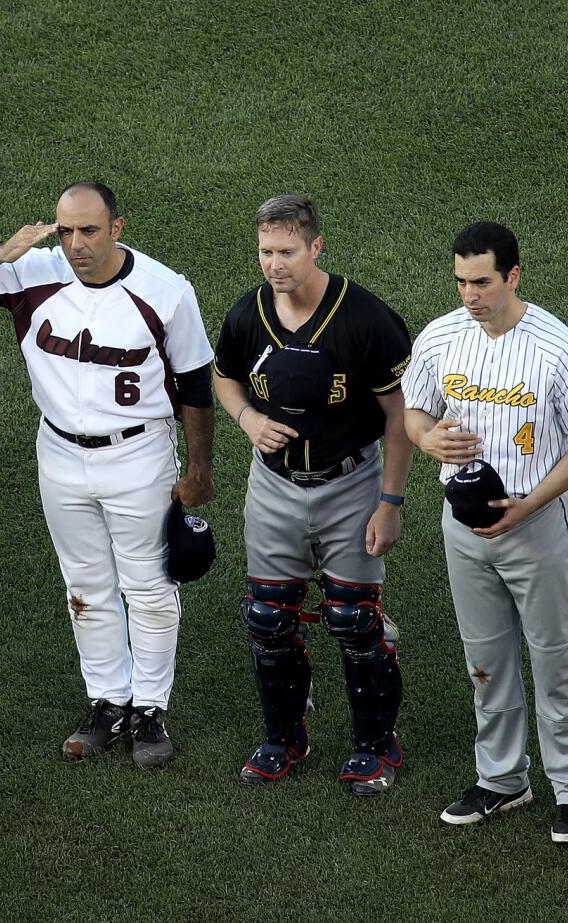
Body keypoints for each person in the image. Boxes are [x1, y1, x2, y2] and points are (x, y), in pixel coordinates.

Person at [0, 181, 214, 769]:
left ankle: (150, 708)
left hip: (138, 455)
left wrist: (199, 471)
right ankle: (107, 701)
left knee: (150, 586)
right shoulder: (32, 272)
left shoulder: (165, 292)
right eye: (65, 231)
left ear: (117, 227)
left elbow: (195, 386)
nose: (76, 243)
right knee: (84, 586)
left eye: (89, 230)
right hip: (58, 453)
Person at [405, 221, 568, 846]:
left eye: (482, 282)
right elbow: (414, 410)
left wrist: (529, 503)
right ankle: (502, 779)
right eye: (461, 281)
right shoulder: (440, 337)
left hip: (537, 527)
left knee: (555, 660)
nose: (470, 295)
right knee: (485, 661)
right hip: (462, 527)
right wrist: (425, 437)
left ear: (512, 275)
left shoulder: (559, 350)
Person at [212, 195, 411, 794]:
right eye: (266, 252)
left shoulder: (365, 318)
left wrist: (390, 502)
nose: (274, 264)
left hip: (351, 483)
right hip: (272, 485)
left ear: (316, 247)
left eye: (287, 252)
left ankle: (376, 747)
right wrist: (247, 418)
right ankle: (284, 738)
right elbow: (223, 376)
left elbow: (401, 417)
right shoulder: (248, 314)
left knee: (354, 620)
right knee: (269, 619)